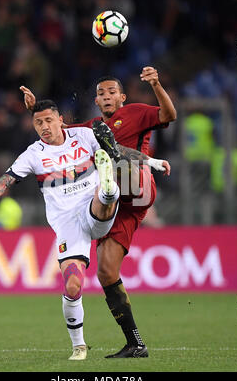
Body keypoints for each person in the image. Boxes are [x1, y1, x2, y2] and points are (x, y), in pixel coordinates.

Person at [20, 66, 176, 358]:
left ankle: (108, 181)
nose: (106, 96)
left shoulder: (137, 112)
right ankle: (135, 343)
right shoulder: (92, 127)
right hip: (115, 208)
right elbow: (55, 129)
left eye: (111, 92)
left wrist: (156, 84)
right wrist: (34, 108)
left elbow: (169, 115)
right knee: (106, 273)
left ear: (122, 97)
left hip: (137, 188)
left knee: (113, 164)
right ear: (95, 101)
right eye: (101, 93)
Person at [0, 99, 121, 361]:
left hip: (94, 206)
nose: (43, 126)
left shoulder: (85, 135)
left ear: (60, 119)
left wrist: (153, 162)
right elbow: (4, 182)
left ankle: (109, 189)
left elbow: (121, 150)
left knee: (103, 198)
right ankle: (79, 347)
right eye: (38, 122)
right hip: (68, 224)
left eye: (48, 120)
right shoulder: (34, 154)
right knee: (72, 285)